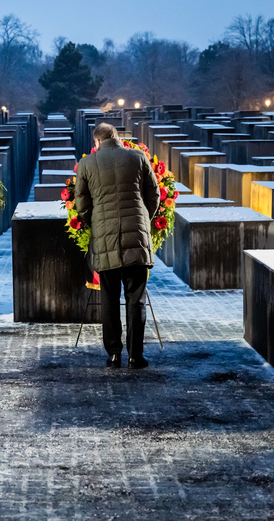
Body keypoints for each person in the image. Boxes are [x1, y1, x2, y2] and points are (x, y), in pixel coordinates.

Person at [74, 123, 160, 369]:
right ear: (117, 138)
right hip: (137, 238)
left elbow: (82, 203)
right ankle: (136, 355)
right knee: (136, 299)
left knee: (109, 298)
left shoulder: (88, 164)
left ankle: (113, 353)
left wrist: (96, 224)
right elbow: (153, 195)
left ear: (97, 142)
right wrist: (143, 219)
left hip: (105, 237)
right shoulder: (138, 157)